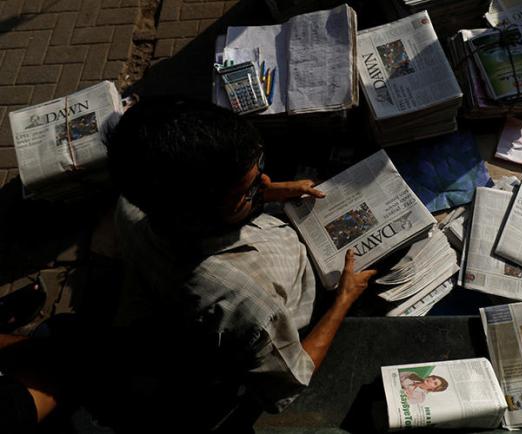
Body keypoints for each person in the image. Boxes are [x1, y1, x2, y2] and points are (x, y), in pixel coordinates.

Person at [102, 97, 377, 431]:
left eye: (258, 170)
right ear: (197, 214)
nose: (265, 181)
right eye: (246, 191)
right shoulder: (249, 305)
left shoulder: (134, 206)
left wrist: (269, 193)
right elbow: (292, 376)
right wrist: (344, 299)